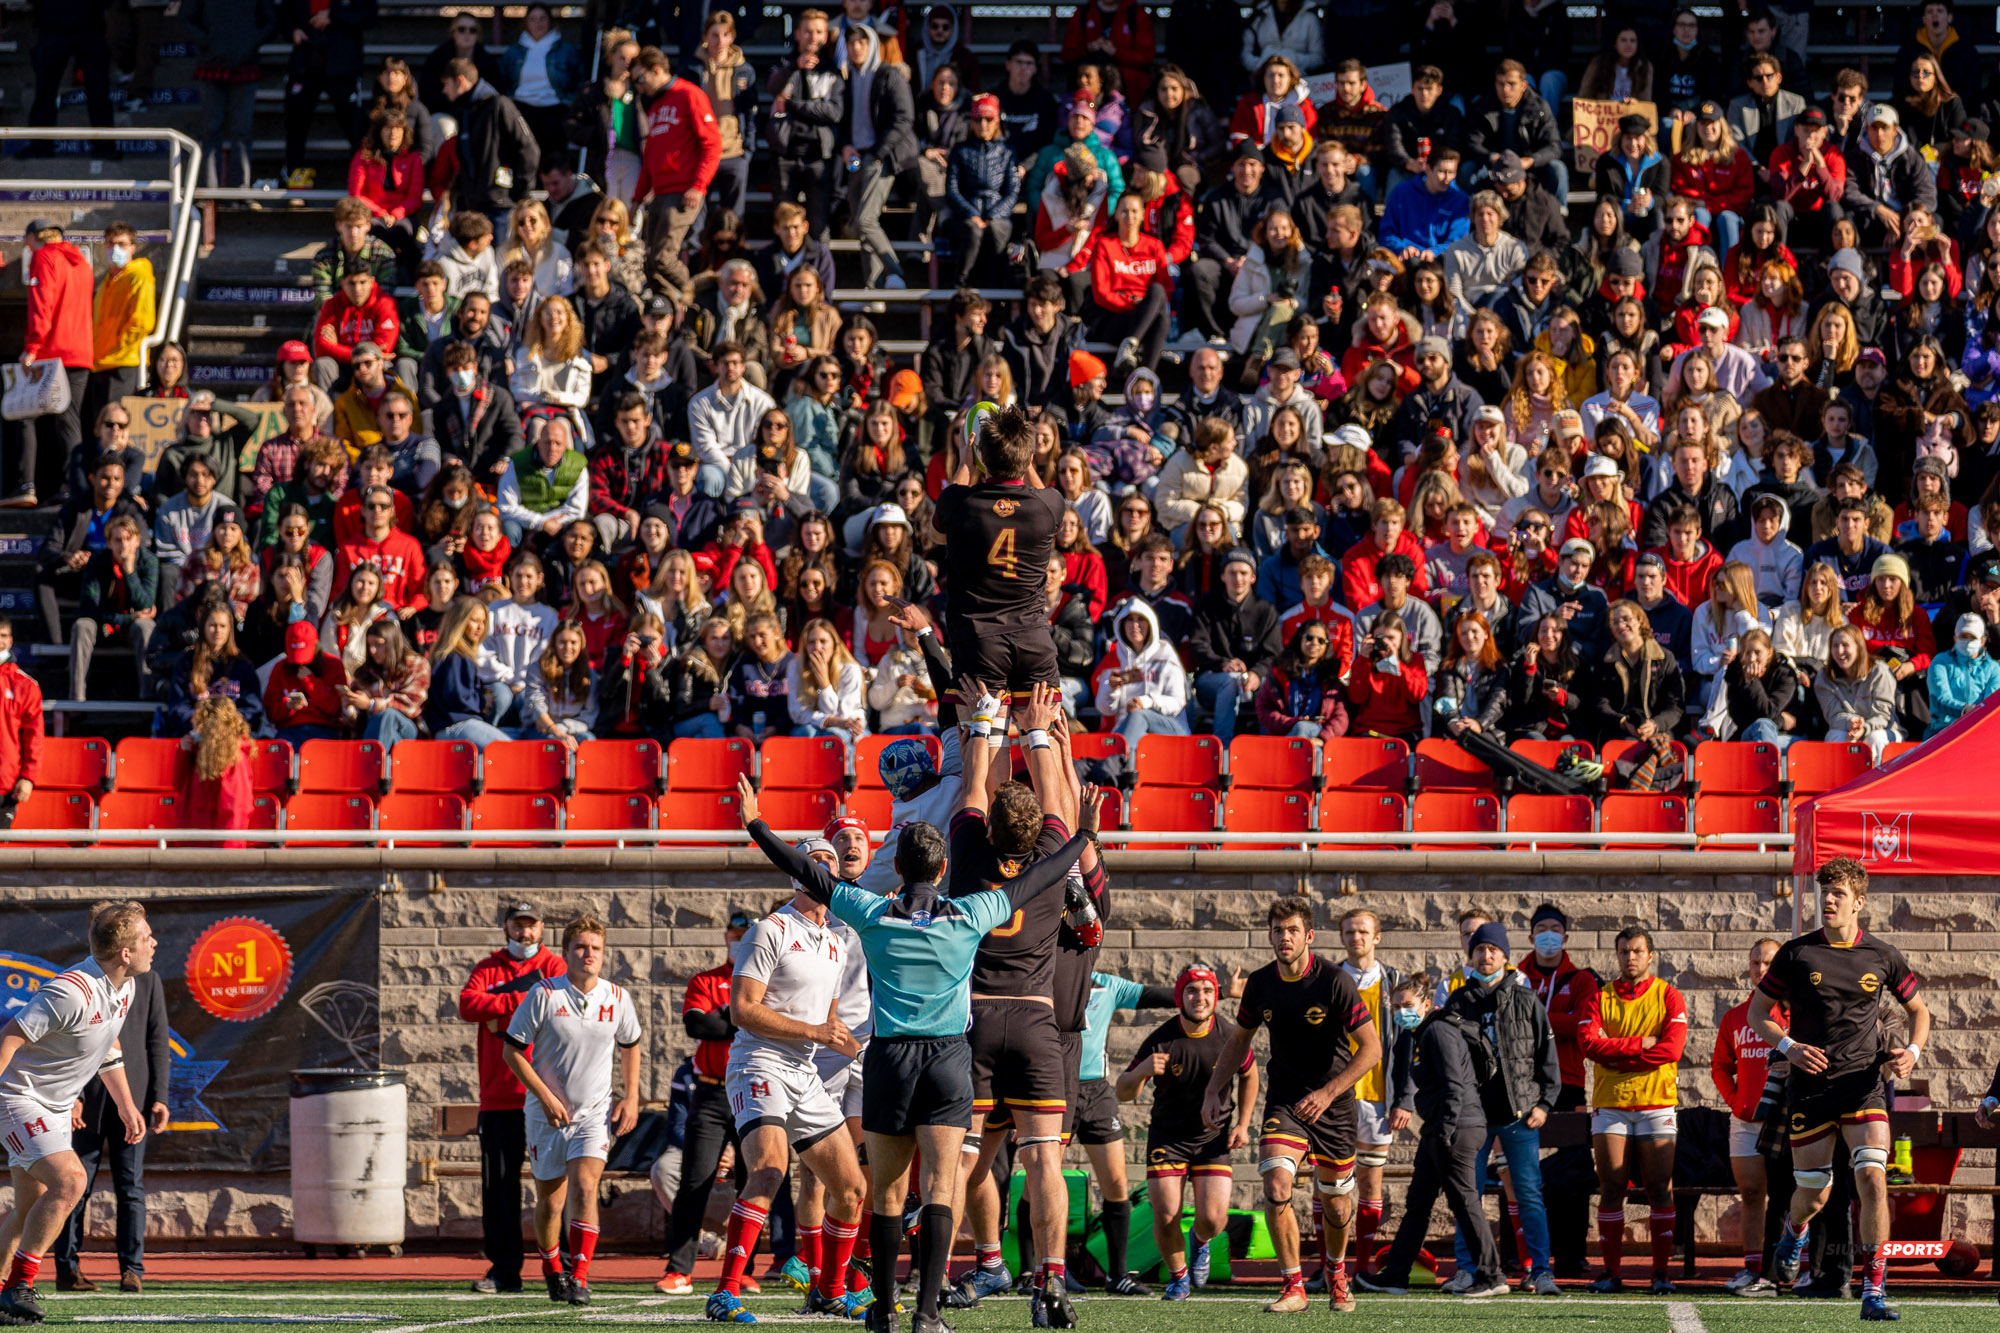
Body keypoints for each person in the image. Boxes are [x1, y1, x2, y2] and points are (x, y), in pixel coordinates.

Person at [735, 711, 1089, 1333]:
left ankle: (881, 1309)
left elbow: (808, 872)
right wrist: (1081, 833)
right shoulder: (971, 912)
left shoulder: (872, 913)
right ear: (941, 868)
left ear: (898, 869)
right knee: (942, 1190)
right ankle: (928, 1311)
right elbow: (1040, 874)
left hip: (891, 1059)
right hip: (950, 1060)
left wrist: (757, 823)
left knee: (888, 1192)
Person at [700, 839, 872, 1324]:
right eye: (811, 861)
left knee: (852, 1189)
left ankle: (829, 1290)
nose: (820, 869)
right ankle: (726, 1292)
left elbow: (831, 1020)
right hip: (758, 1062)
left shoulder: (837, 942)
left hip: (805, 1070)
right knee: (770, 1170)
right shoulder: (769, 929)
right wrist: (817, 1032)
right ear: (794, 872)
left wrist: (846, 1044)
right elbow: (743, 1010)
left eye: (828, 862)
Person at [1756, 857, 1929, 1320]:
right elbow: (1758, 1015)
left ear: (1859, 903)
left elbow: (1920, 1012)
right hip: (1810, 1090)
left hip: (1863, 1087)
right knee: (1813, 1193)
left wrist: (1911, 1052)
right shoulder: (1797, 953)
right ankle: (1794, 1234)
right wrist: (1789, 1046)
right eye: (1824, 893)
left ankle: (1873, 1291)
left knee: (1872, 1178)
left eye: (1837, 895)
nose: (1828, 901)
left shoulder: (1882, 955)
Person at [1199, 897, 1379, 1314]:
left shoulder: (1334, 981)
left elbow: (1371, 1050)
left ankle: (1336, 1272)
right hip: (1286, 1102)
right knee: (1277, 1186)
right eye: (1278, 931)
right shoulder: (1261, 984)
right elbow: (1239, 1040)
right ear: (1269, 936)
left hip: (1333, 1105)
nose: (1285, 937)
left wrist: (1329, 1092)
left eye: (1293, 930)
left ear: (1309, 937)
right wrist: (1213, 1089)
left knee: (1336, 1202)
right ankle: (1293, 1286)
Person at [0, 902, 153, 1326]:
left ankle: (0, 1289)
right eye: (146, 937)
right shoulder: (70, 991)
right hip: (16, 1097)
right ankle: (20, 1285)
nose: (153, 943)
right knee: (71, 1181)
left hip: (53, 1106)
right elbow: (10, 1037)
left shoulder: (126, 987)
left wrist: (126, 1104)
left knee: (28, 1205)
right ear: (125, 952)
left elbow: (109, 1047)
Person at [500, 914, 641, 1306]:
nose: (588, 954)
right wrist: (544, 1096)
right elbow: (511, 1050)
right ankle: (551, 1268)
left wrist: (630, 1097)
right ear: (565, 953)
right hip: (546, 1116)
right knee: (551, 1201)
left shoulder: (617, 998)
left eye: (595, 948)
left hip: (593, 1114)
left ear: (603, 953)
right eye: (580, 947)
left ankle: (579, 1275)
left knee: (585, 1187)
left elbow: (631, 1045)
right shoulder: (544, 995)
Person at [1117, 962, 1256, 1301]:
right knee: (1166, 1215)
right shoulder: (1161, 1039)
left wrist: (1243, 1123)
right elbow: (1122, 1091)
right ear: (1181, 995)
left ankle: (1199, 1242)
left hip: (1212, 1139)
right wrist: (1141, 1073)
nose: (1201, 997)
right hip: (1168, 1138)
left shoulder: (1230, 1035)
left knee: (1212, 1219)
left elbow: (1250, 1075)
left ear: (1215, 996)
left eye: (1208, 990)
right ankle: (1178, 1278)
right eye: (1193, 990)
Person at [456, 902, 568, 1295]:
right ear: (505, 926)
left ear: (542, 928)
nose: (525, 934)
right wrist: (515, 1002)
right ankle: (504, 1270)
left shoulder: (555, 966)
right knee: (499, 1188)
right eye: (518, 926)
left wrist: (498, 1011)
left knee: (555, 1185)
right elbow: (468, 1005)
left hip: (545, 1095)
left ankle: (562, 1267)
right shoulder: (488, 967)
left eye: (532, 926)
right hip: (499, 1097)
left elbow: (557, 1007)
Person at [1576, 926, 1686, 1295]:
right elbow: (1589, 1045)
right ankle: (1611, 1273)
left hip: (1657, 1103)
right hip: (1612, 1105)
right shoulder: (1598, 998)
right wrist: (1642, 1045)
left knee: (1659, 1188)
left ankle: (1660, 1273)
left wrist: (1619, 1052)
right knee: (1611, 1187)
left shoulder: (1670, 997)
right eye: (1623, 951)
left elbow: (1671, 1050)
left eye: (1637, 951)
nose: (1630, 957)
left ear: (1650, 955)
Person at [1712, 937, 1784, 1297]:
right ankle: (1753, 1268)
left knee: (1789, 1196)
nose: (1760, 970)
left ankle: (1786, 1267)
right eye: (1755, 963)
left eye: (1769, 963)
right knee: (1752, 1194)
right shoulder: (1735, 1017)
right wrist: (1735, 1101)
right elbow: (1720, 1067)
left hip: (1785, 1123)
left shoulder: (1793, 1015)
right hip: (1745, 1122)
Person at [8, 221, 95, 509]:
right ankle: (73, 487)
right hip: (81, 354)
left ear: (33, 238)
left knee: (25, 414)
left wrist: (31, 348)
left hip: (52, 353)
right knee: (68, 422)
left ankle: (26, 485)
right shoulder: (81, 263)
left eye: (26, 243)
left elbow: (41, 305)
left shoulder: (43, 257)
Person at [439, 58, 541, 236]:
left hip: (500, 208)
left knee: (499, 261)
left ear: (460, 80)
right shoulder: (466, 112)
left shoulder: (499, 105)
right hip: (474, 207)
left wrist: (520, 192)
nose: (444, 91)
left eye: (446, 84)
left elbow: (529, 149)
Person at [69, 515, 158, 703]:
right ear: (108, 543)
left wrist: (130, 572)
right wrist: (126, 618)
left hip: (132, 631)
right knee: (82, 625)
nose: (124, 545)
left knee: (146, 626)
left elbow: (146, 606)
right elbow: (88, 608)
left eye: (128, 539)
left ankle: (148, 697)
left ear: (137, 541)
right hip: (104, 625)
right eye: (118, 540)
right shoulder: (97, 562)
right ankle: (76, 699)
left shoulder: (148, 561)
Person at [1927, 613, 2000, 734]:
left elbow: (1990, 704)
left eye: (1972, 637)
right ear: (1955, 638)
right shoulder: (1940, 662)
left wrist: (1973, 714)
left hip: (1980, 730)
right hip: (1942, 730)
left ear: (1982, 641)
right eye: (1963, 636)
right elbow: (1940, 699)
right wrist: (1965, 710)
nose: (1967, 641)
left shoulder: (1993, 668)